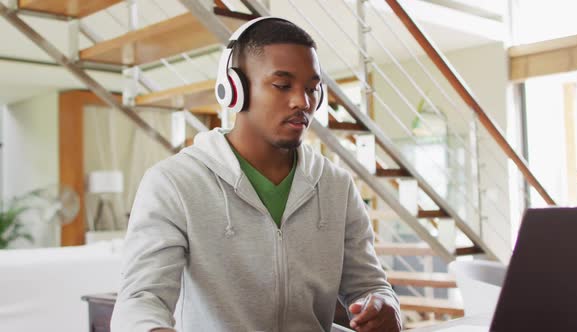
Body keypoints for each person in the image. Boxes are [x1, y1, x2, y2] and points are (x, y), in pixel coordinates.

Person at [111, 17, 402, 332]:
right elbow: (140, 299)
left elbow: (370, 284)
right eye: (282, 85)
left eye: (312, 89)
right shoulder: (174, 183)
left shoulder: (337, 186)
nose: (302, 102)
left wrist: (383, 304)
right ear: (234, 89)